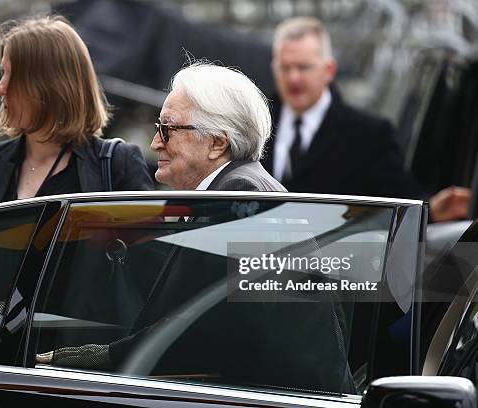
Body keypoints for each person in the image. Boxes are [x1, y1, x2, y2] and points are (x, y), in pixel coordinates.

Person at [37, 63, 355, 394]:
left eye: (167, 129)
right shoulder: (243, 189)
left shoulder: (240, 197)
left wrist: (103, 357)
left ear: (217, 143)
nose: (155, 142)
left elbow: (208, 326)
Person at [0, 15, 152, 240]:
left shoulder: (117, 164)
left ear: (50, 86)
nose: (0, 88)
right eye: (3, 73)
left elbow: (147, 263)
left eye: (13, 76)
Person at [261, 16, 470, 222]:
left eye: (303, 67)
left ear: (329, 70)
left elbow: (402, 198)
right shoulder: (254, 128)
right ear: (273, 68)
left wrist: (431, 211)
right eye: (285, 68)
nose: (293, 78)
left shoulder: (369, 135)